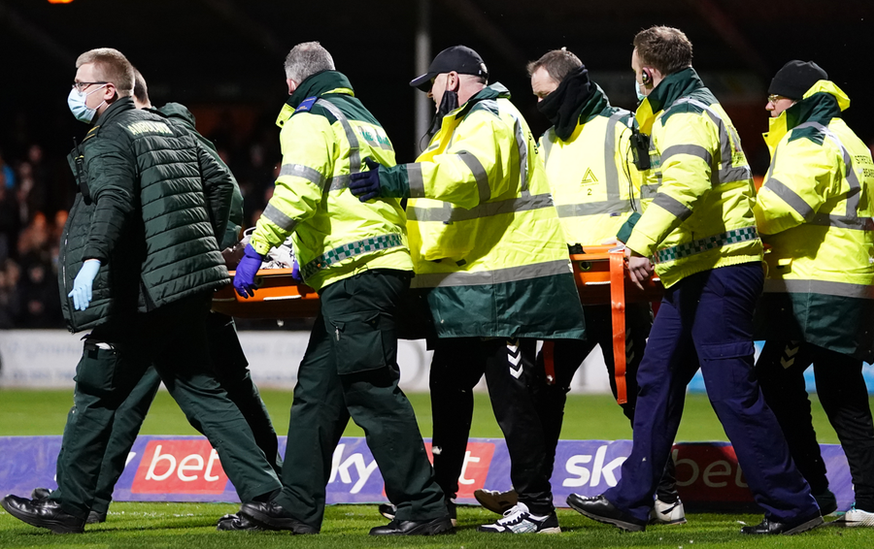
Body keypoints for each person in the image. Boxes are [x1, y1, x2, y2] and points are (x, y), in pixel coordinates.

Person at [0, 47, 281, 534]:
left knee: (96, 392)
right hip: (187, 288)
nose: (74, 93)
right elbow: (223, 187)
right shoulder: (173, 129)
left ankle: (71, 503)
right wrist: (200, 248)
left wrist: (93, 261)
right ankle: (271, 496)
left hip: (143, 291)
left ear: (108, 90)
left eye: (81, 84)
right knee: (206, 392)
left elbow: (113, 200)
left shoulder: (111, 136)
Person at [565, 26, 822, 536]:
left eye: (636, 69)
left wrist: (638, 244)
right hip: (698, 274)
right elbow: (672, 188)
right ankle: (633, 500)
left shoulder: (684, 113)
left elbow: (686, 183)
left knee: (731, 392)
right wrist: (635, 234)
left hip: (720, 273)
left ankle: (792, 505)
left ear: (647, 71)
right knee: (655, 381)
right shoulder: (688, 108)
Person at [349, 45, 585, 534]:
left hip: (506, 285)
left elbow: (464, 180)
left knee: (512, 398)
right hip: (472, 284)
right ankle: (440, 498)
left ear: (452, 80)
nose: (431, 95)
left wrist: (393, 179)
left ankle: (539, 511)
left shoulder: (490, 118)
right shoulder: (470, 122)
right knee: (450, 387)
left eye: (432, 85)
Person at [229, 42, 451, 537]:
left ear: (291, 83)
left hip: (357, 271)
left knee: (370, 390)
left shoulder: (309, 118)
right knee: (316, 393)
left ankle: (423, 506)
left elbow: (299, 189)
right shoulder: (362, 116)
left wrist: (258, 247)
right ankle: (297, 504)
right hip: (373, 266)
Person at [471, 47, 684, 525]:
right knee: (546, 390)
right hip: (566, 289)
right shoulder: (546, 142)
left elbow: (655, 192)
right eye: (536, 97)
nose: (541, 105)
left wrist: (637, 248)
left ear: (570, 87)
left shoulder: (624, 129)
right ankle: (533, 492)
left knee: (629, 390)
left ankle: (665, 495)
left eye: (547, 95)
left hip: (616, 289)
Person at [753, 60, 874, 527]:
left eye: (775, 98)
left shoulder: (807, 139)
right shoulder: (846, 137)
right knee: (841, 390)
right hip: (848, 279)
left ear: (795, 99)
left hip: (816, 284)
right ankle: (871, 501)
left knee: (773, 381)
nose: (768, 105)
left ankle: (813, 489)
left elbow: (780, 209)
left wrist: (731, 213)